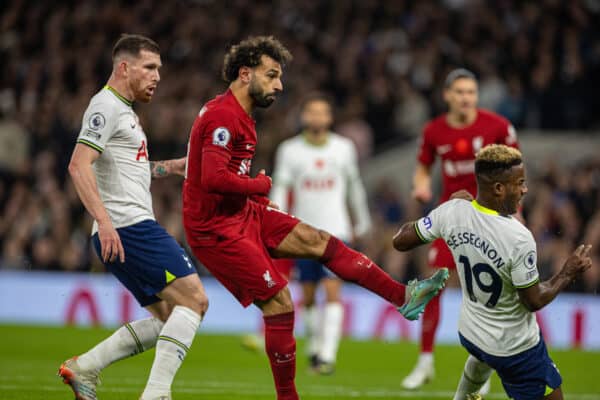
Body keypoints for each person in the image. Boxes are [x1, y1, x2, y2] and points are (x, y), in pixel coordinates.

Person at [182, 35, 449, 400]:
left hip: (243, 214)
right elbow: (213, 179)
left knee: (321, 241)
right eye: (272, 75)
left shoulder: (238, 114)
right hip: (216, 230)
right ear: (245, 74)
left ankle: (404, 296)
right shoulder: (224, 117)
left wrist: (252, 192)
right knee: (281, 303)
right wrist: (256, 184)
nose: (280, 84)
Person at [60, 34, 208, 400]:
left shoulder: (124, 111)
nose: (158, 76)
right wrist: (106, 221)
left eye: (159, 69)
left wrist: (170, 168)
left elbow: (129, 168)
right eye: (150, 68)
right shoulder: (105, 106)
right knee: (195, 301)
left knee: (172, 316)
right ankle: (156, 394)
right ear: (124, 68)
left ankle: (85, 367)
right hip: (129, 227)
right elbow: (78, 166)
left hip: (126, 226)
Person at [393, 144, 593, 400]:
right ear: (499, 188)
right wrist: (567, 272)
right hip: (514, 348)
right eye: (519, 182)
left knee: (481, 360)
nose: (525, 189)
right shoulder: (518, 237)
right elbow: (533, 301)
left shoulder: (453, 211)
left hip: (471, 334)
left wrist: (443, 212)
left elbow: (400, 241)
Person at [404, 68, 519, 392]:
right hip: (451, 217)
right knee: (433, 285)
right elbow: (423, 168)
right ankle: (425, 361)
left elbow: (516, 171)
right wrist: (421, 187)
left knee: (488, 291)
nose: (465, 98)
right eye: (459, 92)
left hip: (490, 218)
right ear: (447, 96)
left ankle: (483, 369)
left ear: (477, 95)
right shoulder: (433, 131)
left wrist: (513, 213)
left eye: (471, 92)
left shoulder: (497, 126)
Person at [270, 93, 372, 374]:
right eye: (311, 112)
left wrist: (361, 221)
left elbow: (354, 185)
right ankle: (315, 347)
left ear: (329, 118)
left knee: (333, 291)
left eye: (322, 112)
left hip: (336, 231)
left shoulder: (343, 148)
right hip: (301, 232)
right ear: (304, 117)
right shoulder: (289, 150)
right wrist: (276, 218)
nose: (316, 117)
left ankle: (327, 355)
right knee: (309, 295)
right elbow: (280, 186)